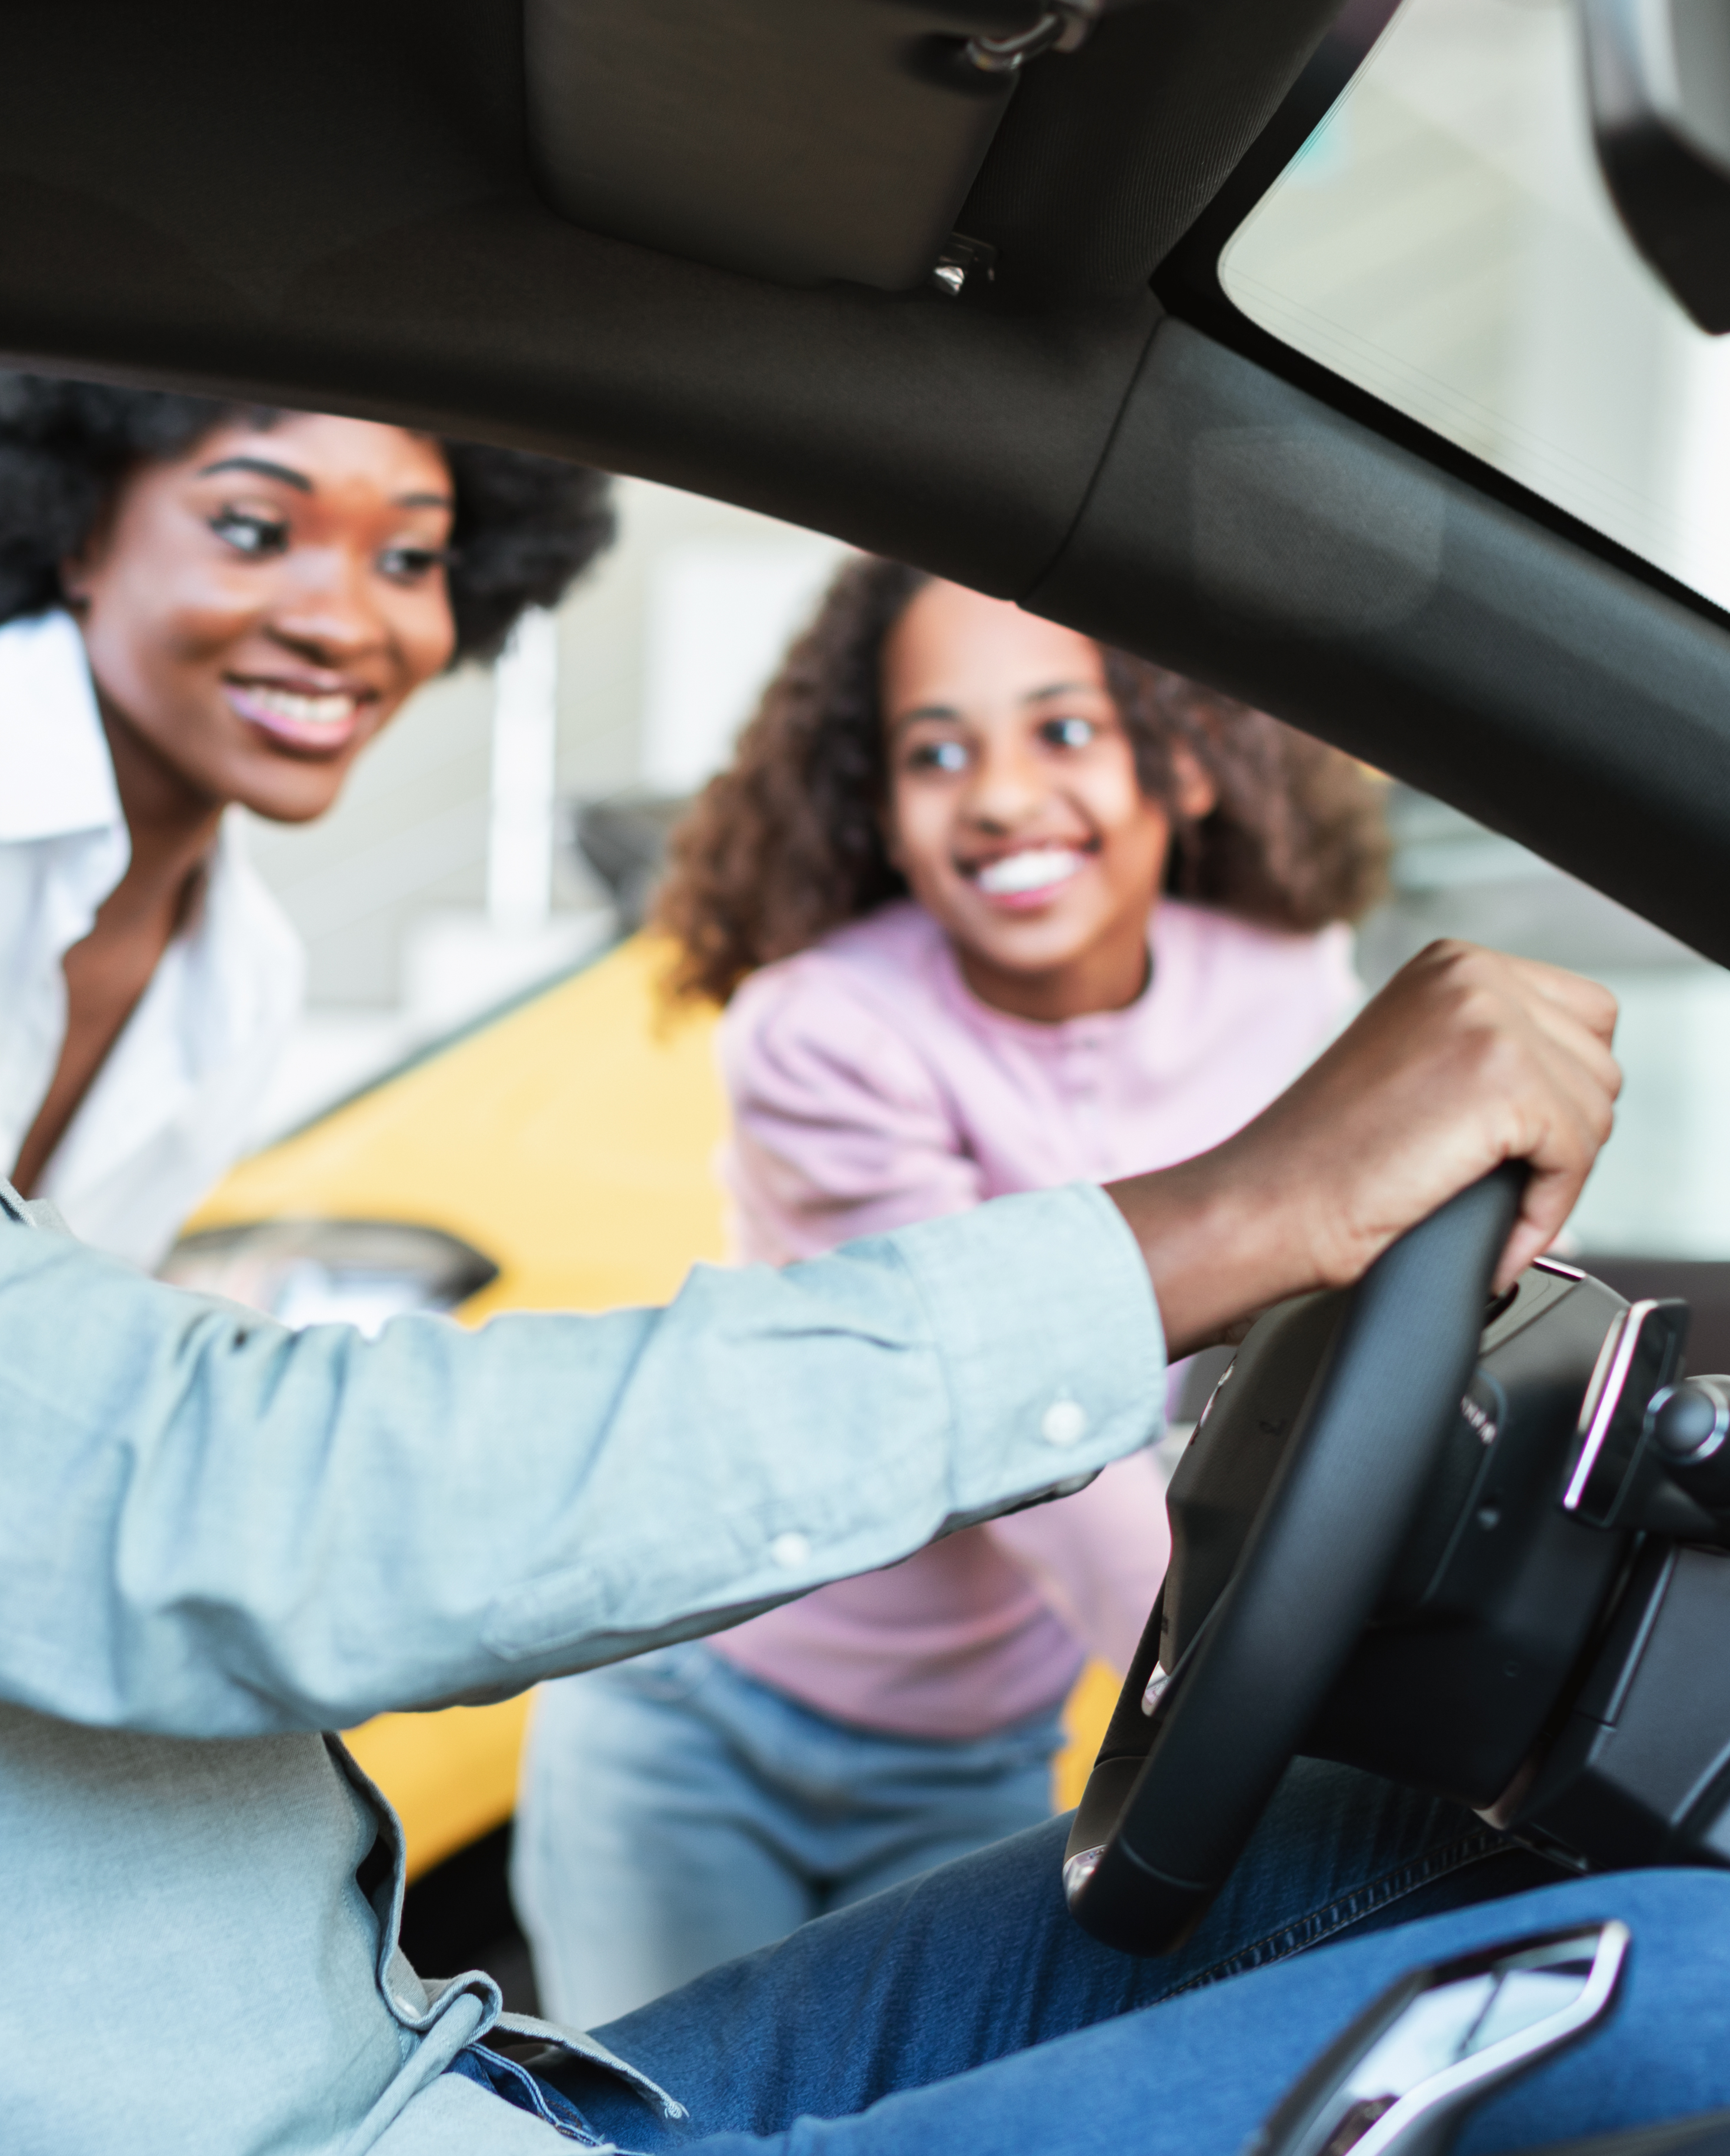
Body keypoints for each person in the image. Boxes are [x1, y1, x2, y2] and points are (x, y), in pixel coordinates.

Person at [0, 91, 1695, 2156]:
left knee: (1388, 1851)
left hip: (447, 2070)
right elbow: (197, 1499)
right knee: (1682, 1999)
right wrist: (1221, 1216)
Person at [514, 559, 1392, 2024]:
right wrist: (1298, 1743)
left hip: (972, 1750)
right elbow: (1015, 1429)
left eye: (1062, 730)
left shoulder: (1287, 995)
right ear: (874, 803)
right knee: (655, 2126)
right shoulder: (823, 1034)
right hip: (693, 1719)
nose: (994, 795)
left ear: (1181, 759)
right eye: (936, 751)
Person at [0, 372, 614, 1266]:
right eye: (254, 531)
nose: (342, 627)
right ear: (81, 533)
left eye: (408, 559)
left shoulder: (249, 981)